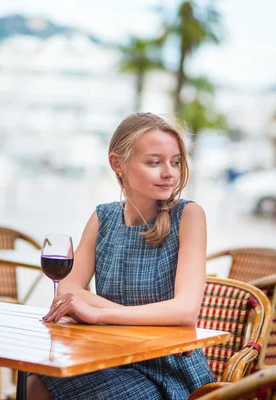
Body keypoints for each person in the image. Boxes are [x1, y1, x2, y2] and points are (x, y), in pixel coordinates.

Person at [27, 112, 214, 400]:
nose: (169, 172)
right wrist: (101, 313)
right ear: (117, 164)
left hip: (168, 370)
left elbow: (185, 311)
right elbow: (67, 289)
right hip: (110, 358)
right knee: (38, 378)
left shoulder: (188, 216)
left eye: (175, 162)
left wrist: (98, 313)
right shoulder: (104, 217)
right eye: (155, 162)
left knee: (44, 382)